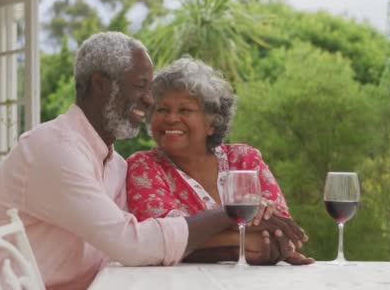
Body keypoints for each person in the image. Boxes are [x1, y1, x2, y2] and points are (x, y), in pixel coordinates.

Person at [0, 32, 288, 290]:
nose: (150, 101)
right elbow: (132, 244)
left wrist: (239, 248)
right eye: (140, 86)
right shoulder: (56, 150)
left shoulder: (112, 164)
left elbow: (146, 241)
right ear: (100, 84)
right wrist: (230, 215)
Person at [126, 57, 314, 265]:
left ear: (212, 123)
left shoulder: (245, 159)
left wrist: (200, 238)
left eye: (184, 110)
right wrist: (240, 243)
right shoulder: (143, 167)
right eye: (161, 110)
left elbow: (282, 233)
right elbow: (159, 240)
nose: (171, 118)